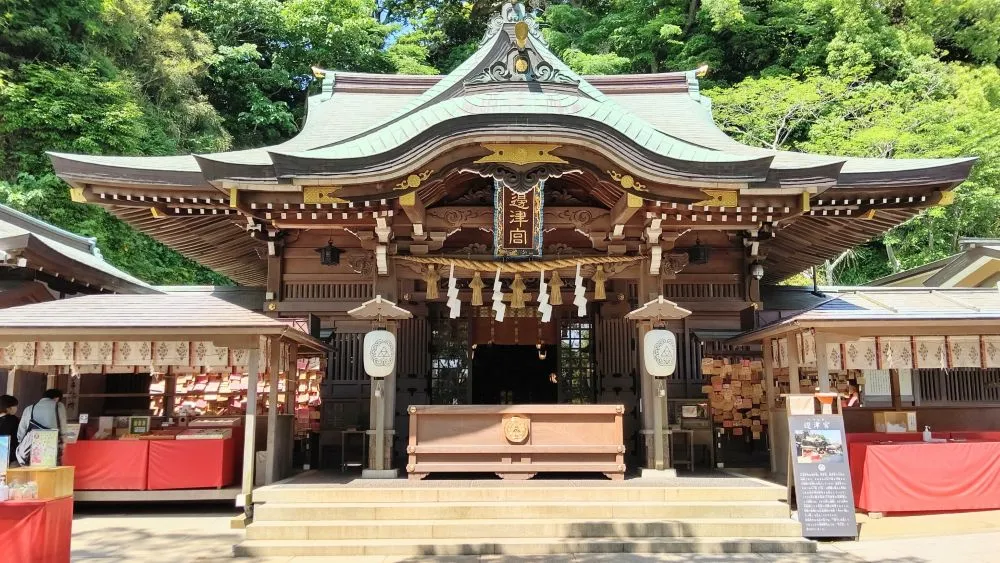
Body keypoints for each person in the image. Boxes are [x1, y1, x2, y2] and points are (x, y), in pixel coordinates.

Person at [16, 389, 68, 465]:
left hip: (32, 447)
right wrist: (64, 442)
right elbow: (63, 426)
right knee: (50, 471)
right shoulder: (59, 406)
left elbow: (21, 430)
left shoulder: (29, 408)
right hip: (52, 445)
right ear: (57, 398)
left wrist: (21, 443)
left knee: (33, 471)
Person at [0, 394, 19, 464]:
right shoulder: (13, 419)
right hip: (9, 456)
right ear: (8, 408)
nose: (16, 408)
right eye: (15, 406)